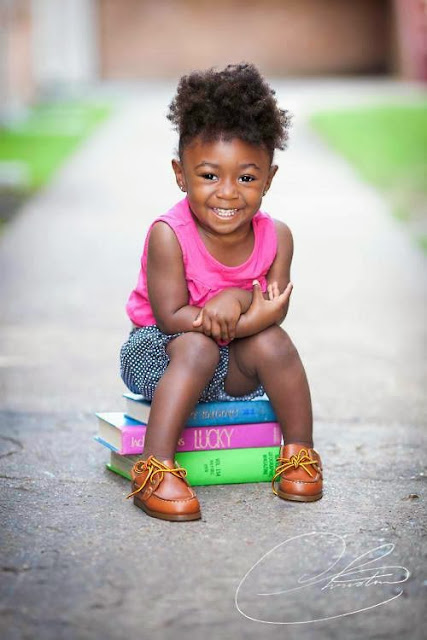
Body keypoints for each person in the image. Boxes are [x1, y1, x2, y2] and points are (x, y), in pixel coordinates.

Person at [120, 63, 323, 522]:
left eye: (247, 178)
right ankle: (154, 468)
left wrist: (232, 300)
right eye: (209, 175)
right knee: (195, 346)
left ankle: (299, 453)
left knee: (275, 344)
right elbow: (172, 316)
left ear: (269, 178)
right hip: (159, 354)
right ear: (180, 173)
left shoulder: (278, 237)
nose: (228, 193)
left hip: (228, 365)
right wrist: (239, 306)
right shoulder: (168, 234)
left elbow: (274, 312)